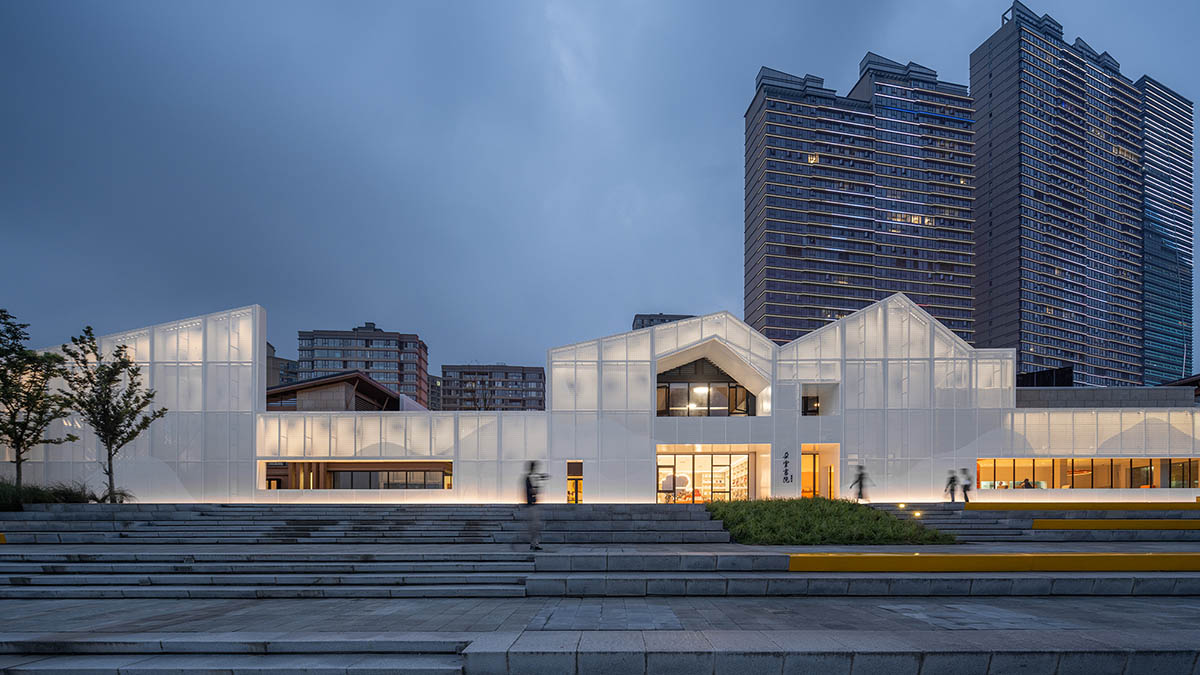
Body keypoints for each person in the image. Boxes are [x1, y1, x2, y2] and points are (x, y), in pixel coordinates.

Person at [523, 461, 549, 551]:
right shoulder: (529, 478)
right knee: (535, 526)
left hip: (532, 505)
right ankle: (534, 544)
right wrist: (539, 485)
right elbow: (533, 491)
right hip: (532, 505)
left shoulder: (529, 477)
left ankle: (534, 543)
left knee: (535, 526)